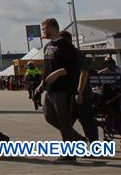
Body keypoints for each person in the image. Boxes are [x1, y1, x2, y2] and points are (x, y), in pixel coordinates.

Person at [36, 18, 85, 162]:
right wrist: (42, 83)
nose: (43, 32)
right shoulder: (48, 46)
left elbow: (72, 67)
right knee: (49, 116)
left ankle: (69, 154)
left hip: (63, 89)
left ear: (52, 28)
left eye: (44, 29)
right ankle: (76, 138)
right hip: (50, 89)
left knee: (64, 120)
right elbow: (47, 68)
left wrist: (58, 73)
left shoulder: (65, 45)